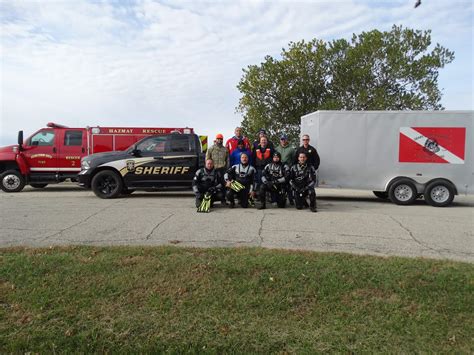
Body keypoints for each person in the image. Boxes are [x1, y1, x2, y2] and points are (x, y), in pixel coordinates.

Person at [275, 134, 296, 205]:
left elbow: (294, 160)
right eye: (282, 139)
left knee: (288, 185)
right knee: (280, 184)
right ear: (280, 140)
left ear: (287, 140)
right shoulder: (277, 148)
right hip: (279, 170)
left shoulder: (291, 149)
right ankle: (278, 199)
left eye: (284, 139)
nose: (283, 140)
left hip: (288, 169)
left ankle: (291, 199)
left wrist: (291, 168)